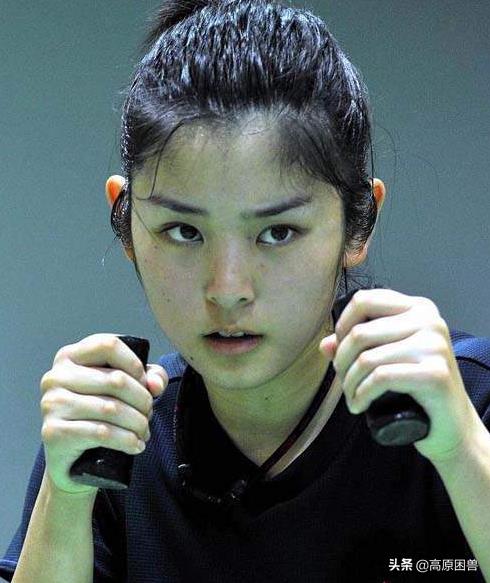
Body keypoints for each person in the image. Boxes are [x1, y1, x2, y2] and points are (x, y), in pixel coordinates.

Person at [1, 1, 489, 582]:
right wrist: (65, 494)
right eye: (184, 231)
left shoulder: (468, 404)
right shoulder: (109, 432)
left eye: (277, 232)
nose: (227, 289)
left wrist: (462, 448)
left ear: (359, 224)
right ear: (126, 221)